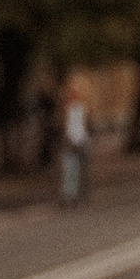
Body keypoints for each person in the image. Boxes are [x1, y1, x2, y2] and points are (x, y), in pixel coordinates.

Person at [59, 75, 92, 208]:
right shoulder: (65, 109)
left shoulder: (84, 108)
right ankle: (68, 195)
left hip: (82, 141)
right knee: (69, 169)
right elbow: (63, 126)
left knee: (82, 170)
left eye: (77, 91)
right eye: (72, 91)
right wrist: (69, 139)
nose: (75, 94)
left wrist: (86, 139)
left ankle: (81, 193)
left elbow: (87, 125)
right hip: (69, 142)